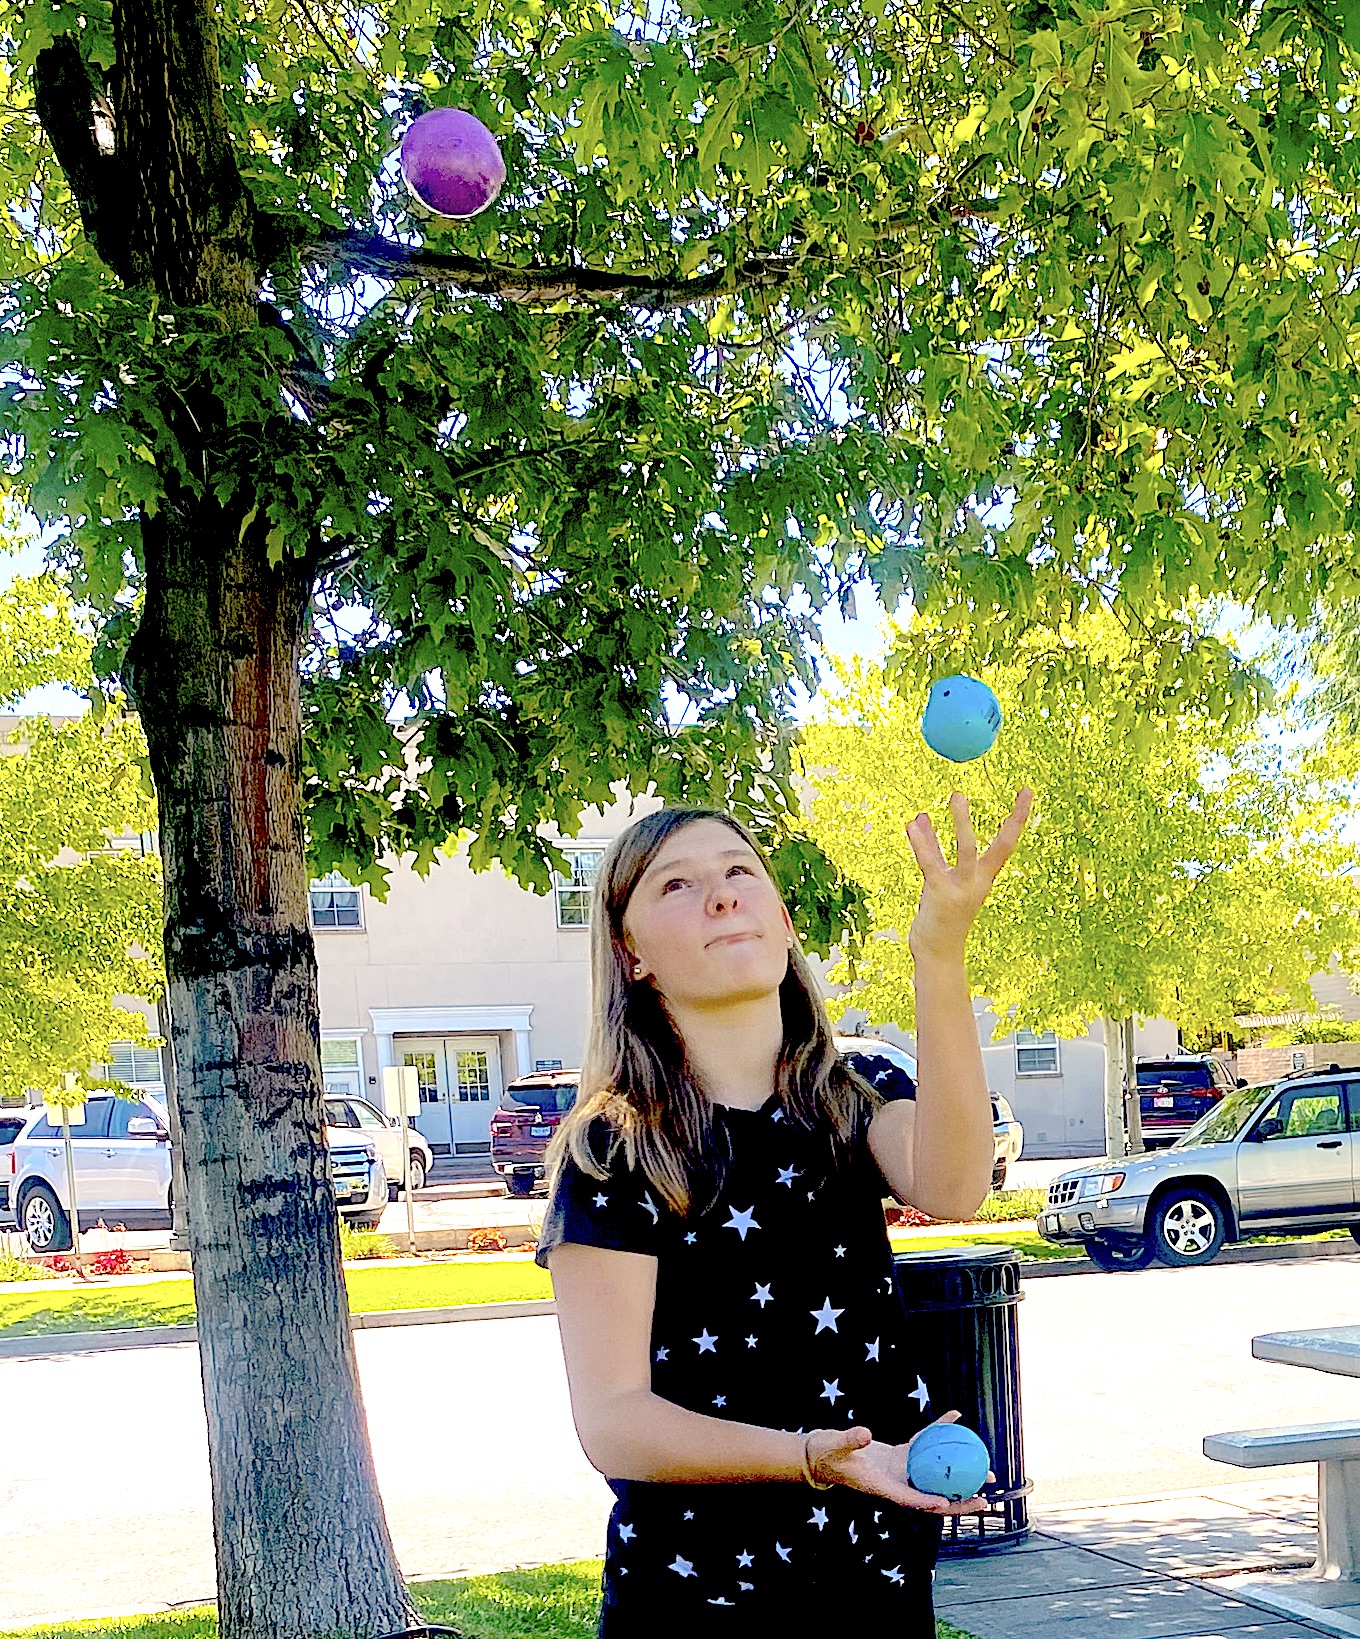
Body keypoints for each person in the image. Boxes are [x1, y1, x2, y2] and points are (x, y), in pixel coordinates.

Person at [537, 791, 1032, 1635]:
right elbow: (614, 1423)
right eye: (676, 886)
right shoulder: (616, 1149)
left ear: (782, 917)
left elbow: (954, 1185)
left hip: (876, 1592)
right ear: (631, 954)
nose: (722, 894)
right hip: (698, 1607)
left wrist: (939, 956)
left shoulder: (853, 1099)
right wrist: (815, 1459)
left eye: (739, 872)